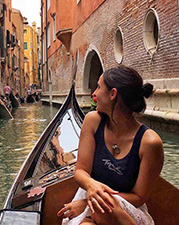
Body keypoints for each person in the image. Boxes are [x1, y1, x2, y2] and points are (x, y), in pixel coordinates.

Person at [57, 66, 164, 225]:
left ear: (113, 94)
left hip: (127, 210)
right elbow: (80, 171)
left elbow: (139, 197)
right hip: (92, 199)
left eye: (98, 87)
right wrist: (91, 185)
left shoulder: (149, 142)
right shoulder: (93, 121)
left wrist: (89, 203)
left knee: (103, 209)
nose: (94, 94)